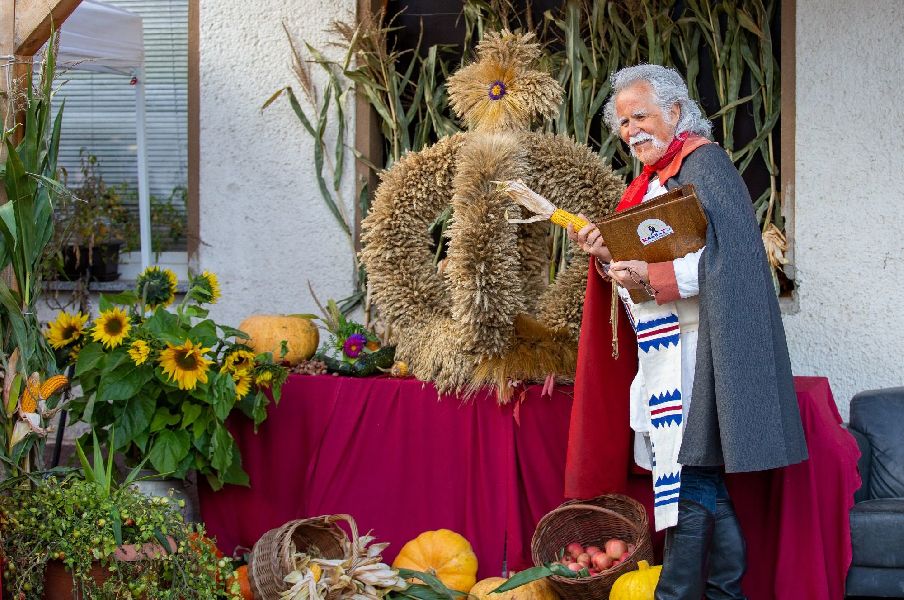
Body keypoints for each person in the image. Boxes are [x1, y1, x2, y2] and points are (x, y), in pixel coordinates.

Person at [565, 64, 808, 599]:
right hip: (666, 351)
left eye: (641, 115)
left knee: (690, 475)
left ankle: (674, 595)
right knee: (697, 480)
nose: (631, 130)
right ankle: (726, 592)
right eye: (623, 122)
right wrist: (610, 257)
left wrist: (647, 275)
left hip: (702, 349)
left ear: (675, 112)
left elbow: (732, 262)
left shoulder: (706, 164)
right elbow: (648, 259)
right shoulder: (649, 184)